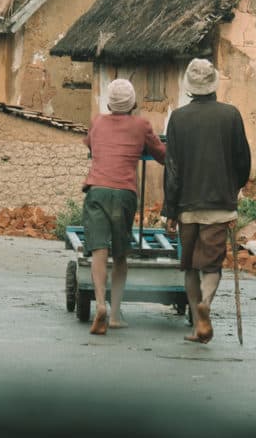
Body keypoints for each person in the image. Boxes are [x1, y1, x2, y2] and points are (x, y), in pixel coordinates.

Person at [162, 58, 251, 343]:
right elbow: (242, 161)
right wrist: (231, 190)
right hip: (220, 207)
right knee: (211, 266)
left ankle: (196, 322)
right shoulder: (231, 115)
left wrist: (170, 210)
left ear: (189, 87)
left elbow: (172, 169)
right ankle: (206, 305)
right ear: (213, 85)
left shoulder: (178, 118)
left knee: (189, 266)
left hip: (187, 207)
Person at [82, 78, 166, 335]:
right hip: (124, 193)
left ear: (109, 103)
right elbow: (162, 154)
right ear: (133, 104)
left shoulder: (97, 121)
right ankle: (116, 313)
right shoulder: (141, 125)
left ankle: (100, 305)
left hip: (97, 189)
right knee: (120, 255)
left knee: (99, 250)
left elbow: (90, 144)